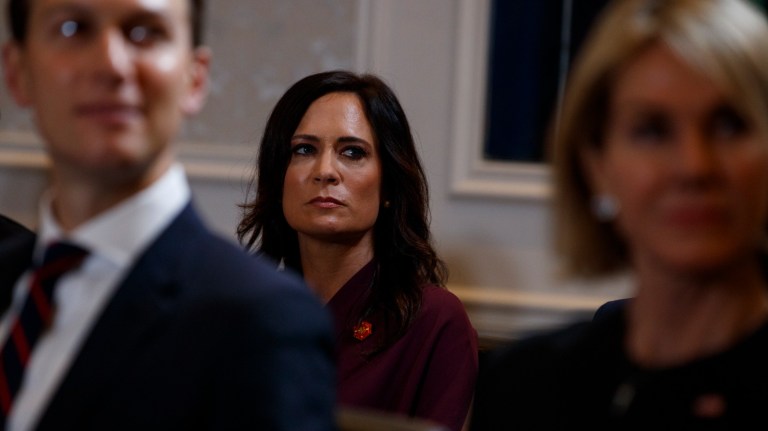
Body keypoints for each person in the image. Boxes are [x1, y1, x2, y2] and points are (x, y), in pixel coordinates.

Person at [0, 0, 335, 430]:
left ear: (195, 78)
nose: (111, 64)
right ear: (18, 72)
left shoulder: (262, 320)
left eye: (145, 32)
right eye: (72, 29)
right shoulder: (11, 277)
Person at [470, 0, 768, 428]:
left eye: (729, 125)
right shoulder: (524, 386)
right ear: (597, 166)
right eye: (651, 130)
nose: (694, 166)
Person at [238, 70, 478, 431]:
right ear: (279, 177)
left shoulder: (434, 320)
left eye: (352, 152)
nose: (325, 171)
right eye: (304, 150)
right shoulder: (240, 312)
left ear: (389, 187)